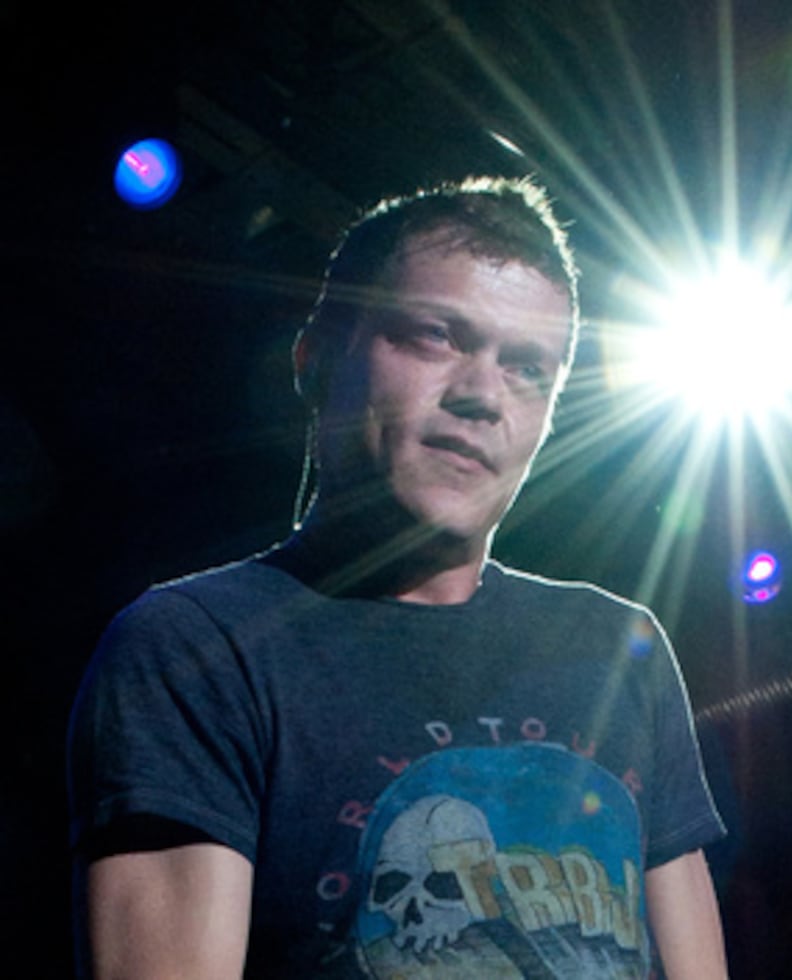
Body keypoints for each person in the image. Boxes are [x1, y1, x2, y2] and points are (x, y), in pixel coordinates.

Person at [68, 175, 728, 978]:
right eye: (435, 336)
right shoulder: (195, 648)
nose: (482, 394)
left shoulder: (620, 647)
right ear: (315, 358)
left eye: (527, 369)